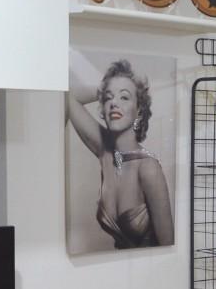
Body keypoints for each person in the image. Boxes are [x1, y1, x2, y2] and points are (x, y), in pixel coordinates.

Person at [66, 60, 173, 249]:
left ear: (138, 109)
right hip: (118, 265)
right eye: (108, 98)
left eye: (124, 97)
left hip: (152, 266)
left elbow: (168, 246)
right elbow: (69, 97)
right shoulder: (105, 153)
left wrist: (114, 90)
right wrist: (108, 87)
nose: (114, 103)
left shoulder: (148, 168)